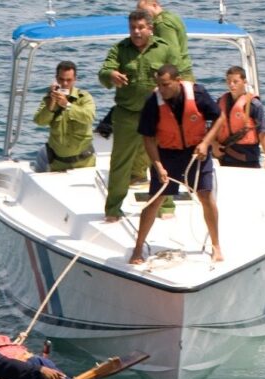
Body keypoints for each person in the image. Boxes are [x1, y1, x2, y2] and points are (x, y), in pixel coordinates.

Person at [130, 64, 225, 264]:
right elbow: (147, 138)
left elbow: (219, 117)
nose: (162, 90)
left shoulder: (197, 94)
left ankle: (216, 245)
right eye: (159, 85)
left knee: (206, 195)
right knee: (154, 200)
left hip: (196, 153)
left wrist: (206, 143)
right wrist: (158, 166)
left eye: (166, 85)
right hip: (167, 154)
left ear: (177, 81)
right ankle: (138, 247)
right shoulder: (153, 103)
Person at [98, 10, 186, 223]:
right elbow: (103, 72)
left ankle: (165, 203)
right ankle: (113, 209)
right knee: (121, 163)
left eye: (140, 28)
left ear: (150, 28)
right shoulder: (120, 49)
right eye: (132, 28)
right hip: (127, 115)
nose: (136, 32)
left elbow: (180, 76)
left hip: (159, 115)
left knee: (162, 160)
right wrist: (111, 75)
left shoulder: (164, 49)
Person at [33, 61, 96, 172]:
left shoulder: (84, 97)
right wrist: (51, 104)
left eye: (69, 80)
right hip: (58, 164)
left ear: (75, 79)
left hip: (84, 163)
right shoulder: (50, 99)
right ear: (56, 79)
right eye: (61, 79)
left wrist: (67, 105)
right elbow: (39, 121)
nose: (65, 84)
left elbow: (89, 117)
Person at [213, 66, 265, 169]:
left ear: (244, 82)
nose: (231, 85)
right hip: (224, 157)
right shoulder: (221, 102)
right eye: (228, 81)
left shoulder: (254, 105)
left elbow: (262, 133)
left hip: (248, 158)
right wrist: (213, 144)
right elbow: (213, 128)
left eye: (235, 81)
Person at [137, 0, 194, 81]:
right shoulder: (171, 16)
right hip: (185, 69)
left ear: (154, 5)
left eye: (145, 12)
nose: (143, 16)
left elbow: (172, 53)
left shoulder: (162, 25)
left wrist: (169, 76)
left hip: (177, 75)